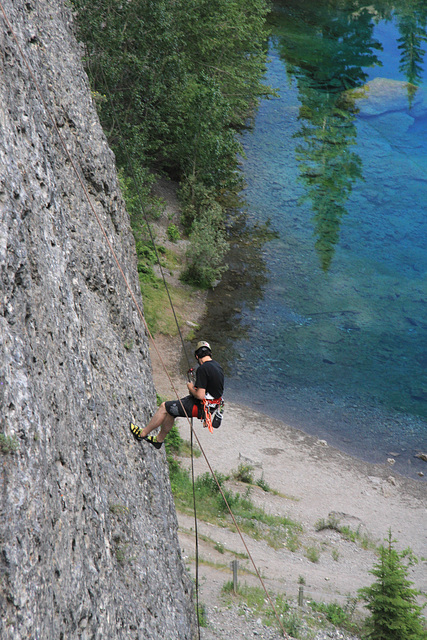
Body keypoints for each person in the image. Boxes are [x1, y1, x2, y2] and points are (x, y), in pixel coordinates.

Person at [130, 340, 224, 449]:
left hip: (200, 406)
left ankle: (142, 434)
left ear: (197, 356)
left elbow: (200, 395)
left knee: (164, 407)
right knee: (171, 411)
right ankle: (158, 440)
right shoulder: (218, 367)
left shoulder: (203, 369)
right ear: (209, 354)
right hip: (210, 406)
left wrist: (190, 388)